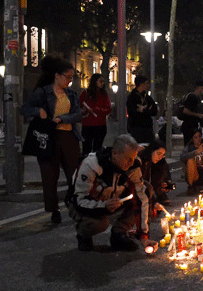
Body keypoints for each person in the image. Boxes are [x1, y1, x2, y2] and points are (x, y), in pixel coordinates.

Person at [67, 134, 157, 252]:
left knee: (147, 189)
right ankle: (84, 234)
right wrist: (103, 207)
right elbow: (79, 200)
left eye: (134, 158)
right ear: (114, 153)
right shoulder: (91, 165)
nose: (131, 163)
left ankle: (119, 233)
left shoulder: (133, 165)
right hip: (86, 204)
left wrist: (143, 236)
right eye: (127, 158)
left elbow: (142, 198)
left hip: (114, 199)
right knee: (100, 224)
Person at [21, 55, 82, 224]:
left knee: (75, 175)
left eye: (71, 78)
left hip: (69, 137)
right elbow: (24, 108)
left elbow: (78, 114)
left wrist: (63, 119)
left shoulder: (71, 94)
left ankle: (76, 206)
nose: (70, 81)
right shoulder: (43, 92)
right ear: (57, 75)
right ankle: (53, 209)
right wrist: (38, 111)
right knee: (49, 176)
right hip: (48, 138)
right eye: (67, 77)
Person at [79, 73, 112, 156]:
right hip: (88, 125)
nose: (102, 83)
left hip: (100, 125)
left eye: (103, 81)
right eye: (100, 81)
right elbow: (78, 106)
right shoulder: (85, 93)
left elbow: (108, 109)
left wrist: (97, 109)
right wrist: (83, 110)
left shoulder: (104, 94)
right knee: (86, 148)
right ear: (94, 81)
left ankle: (96, 166)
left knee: (98, 149)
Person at [138, 139, 174, 206]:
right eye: (158, 153)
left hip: (154, 192)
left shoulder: (161, 163)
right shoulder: (143, 161)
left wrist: (168, 185)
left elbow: (169, 180)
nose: (160, 157)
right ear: (151, 151)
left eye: (163, 155)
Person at [126, 75, 158, 145]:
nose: (148, 85)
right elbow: (132, 112)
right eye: (146, 83)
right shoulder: (132, 97)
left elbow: (154, 111)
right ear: (141, 84)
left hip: (148, 127)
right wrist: (147, 110)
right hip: (136, 127)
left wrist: (143, 110)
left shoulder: (147, 97)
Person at [179, 80, 203, 145]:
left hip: (193, 125)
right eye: (202, 88)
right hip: (189, 126)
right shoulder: (192, 97)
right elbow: (185, 110)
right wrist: (198, 115)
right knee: (189, 145)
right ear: (197, 88)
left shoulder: (198, 98)